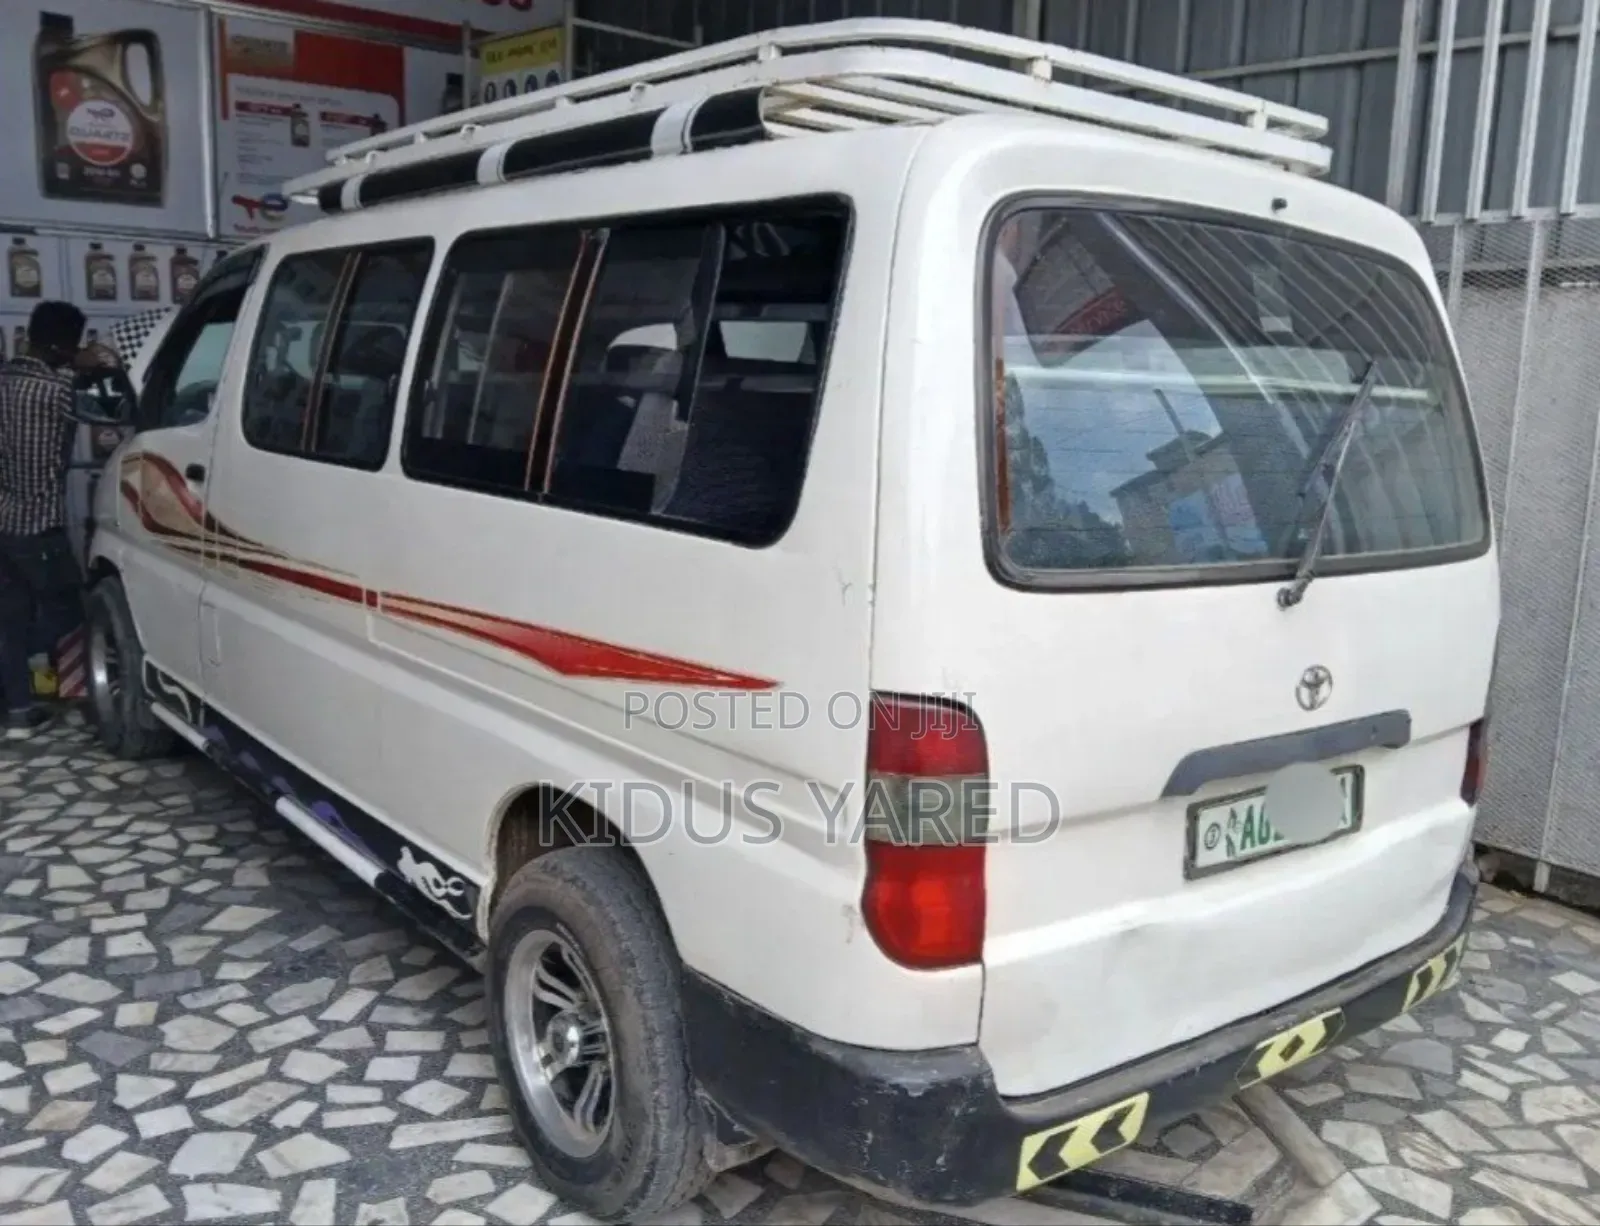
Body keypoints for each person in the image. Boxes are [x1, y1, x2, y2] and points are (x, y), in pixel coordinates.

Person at [0, 301, 97, 731]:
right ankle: (12, 671)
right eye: (74, 345)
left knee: (13, 616)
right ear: (61, 346)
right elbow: (105, 413)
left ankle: (20, 708)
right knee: (71, 610)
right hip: (38, 523)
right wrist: (89, 370)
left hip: (3, 520)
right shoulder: (57, 390)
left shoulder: (4, 379)